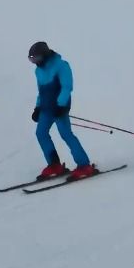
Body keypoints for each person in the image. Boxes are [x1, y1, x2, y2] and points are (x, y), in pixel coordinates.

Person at [28, 41, 97, 181]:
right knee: (40, 133)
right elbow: (41, 91)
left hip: (59, 108)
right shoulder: (38, 70)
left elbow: (67, 87)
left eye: (36, 58)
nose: (35, 62)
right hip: (46, 109)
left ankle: (84, 166)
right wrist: (37, 107)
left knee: (65, 134)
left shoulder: (61, 66)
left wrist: (61, 105)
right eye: (32, 59)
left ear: (45, 55)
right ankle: (54, 165)